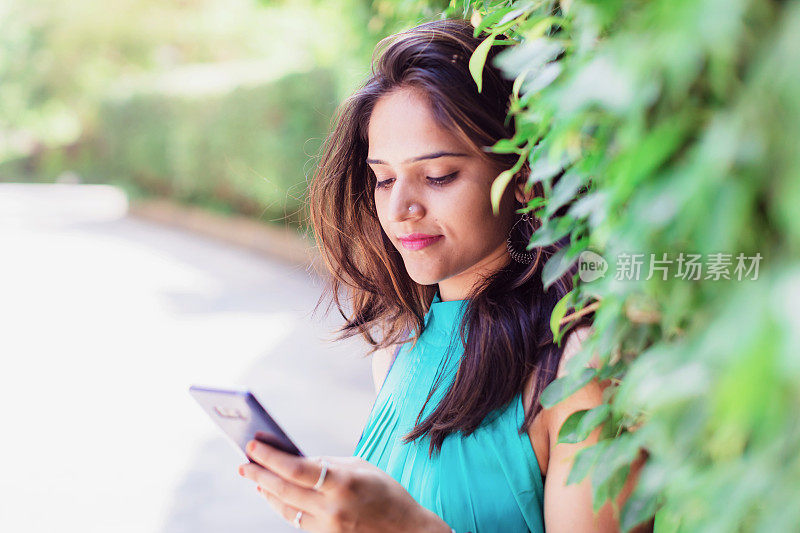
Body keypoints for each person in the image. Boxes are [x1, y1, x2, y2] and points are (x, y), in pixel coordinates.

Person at [238, 17, 652, 533]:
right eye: (384, 178)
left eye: (438, 176)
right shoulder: (399, 350)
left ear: (520, 177)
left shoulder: (577, 370)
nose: (401, 207)